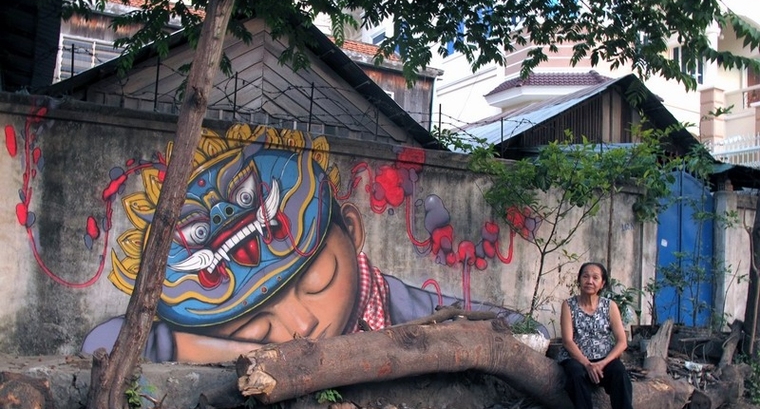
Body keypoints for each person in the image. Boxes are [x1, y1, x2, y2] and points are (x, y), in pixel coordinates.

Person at [83, 124, 531, 362]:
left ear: (352, 230)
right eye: (251, 325)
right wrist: (183, 346)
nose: (300, 327)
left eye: (314, 279)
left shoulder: (409, 310)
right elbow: (100, 344)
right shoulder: (190, 331)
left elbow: (528, 330)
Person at [555, 262, 646, 409]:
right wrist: (587, 364)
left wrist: (602, 363)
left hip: (604, 359)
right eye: (586, 276)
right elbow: (568, 341)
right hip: (577, 358)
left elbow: (622, 342)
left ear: (602, 283)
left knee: (620, 374)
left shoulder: (609, 306)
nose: (590, 281)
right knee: (575, 373)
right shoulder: (568, 305)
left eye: (595, 277)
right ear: (579, 280)